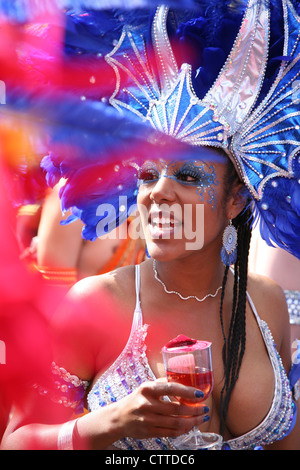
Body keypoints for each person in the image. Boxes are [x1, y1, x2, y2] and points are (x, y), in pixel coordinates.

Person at [2, 0, 300, 451]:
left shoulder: (266, 302)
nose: (157, 192)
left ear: (236, 199)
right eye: (147, 174)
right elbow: (17, 440)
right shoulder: (97, 304)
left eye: (187, 175)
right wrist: (111, 423)